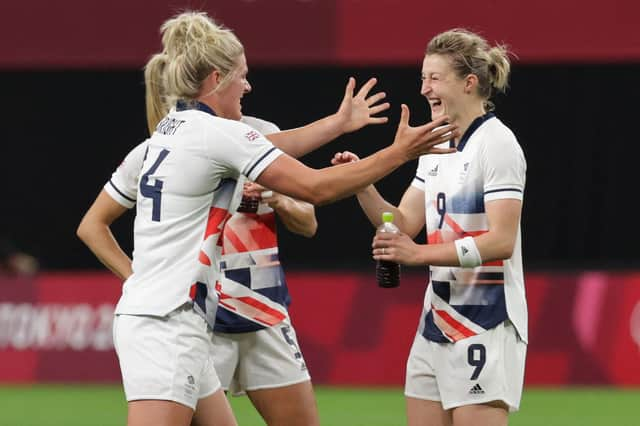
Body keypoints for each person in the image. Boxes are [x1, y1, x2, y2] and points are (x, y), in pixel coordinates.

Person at [77, 11, 457, 426]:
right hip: (166, 325)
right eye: (241, 75)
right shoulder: (216, 135)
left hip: (174, 317)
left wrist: (337, 124)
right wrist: (398, 154)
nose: (248, 84)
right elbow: (317, 188)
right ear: (216, 78)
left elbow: (273, 144)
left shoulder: (171, 132)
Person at [333, 29, 527, 426]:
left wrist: (417, 254)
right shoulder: (435, 146)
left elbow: (501, 241)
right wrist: (361, 183)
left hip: (484, 322)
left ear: (469, 83)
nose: (424, 89)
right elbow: (401, 222)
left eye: (434, 78)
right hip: (436, 322)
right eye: (423, 78)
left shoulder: (498, 144)